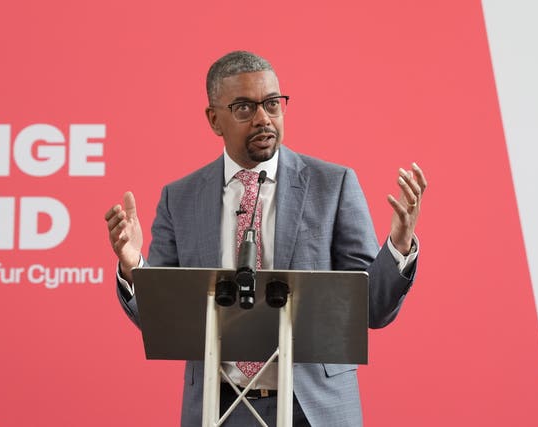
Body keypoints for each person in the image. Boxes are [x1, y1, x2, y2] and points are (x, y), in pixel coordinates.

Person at [105, 51, 427, 426]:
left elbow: (370, 309)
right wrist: (133, 267)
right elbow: (160, 318)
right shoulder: (181, 198)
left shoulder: (332, 185)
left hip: (314, 408)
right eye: (244, 107)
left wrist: (399, 247)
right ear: (214, 119)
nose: (263, 118)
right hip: (218, 405)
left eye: (273, 103)